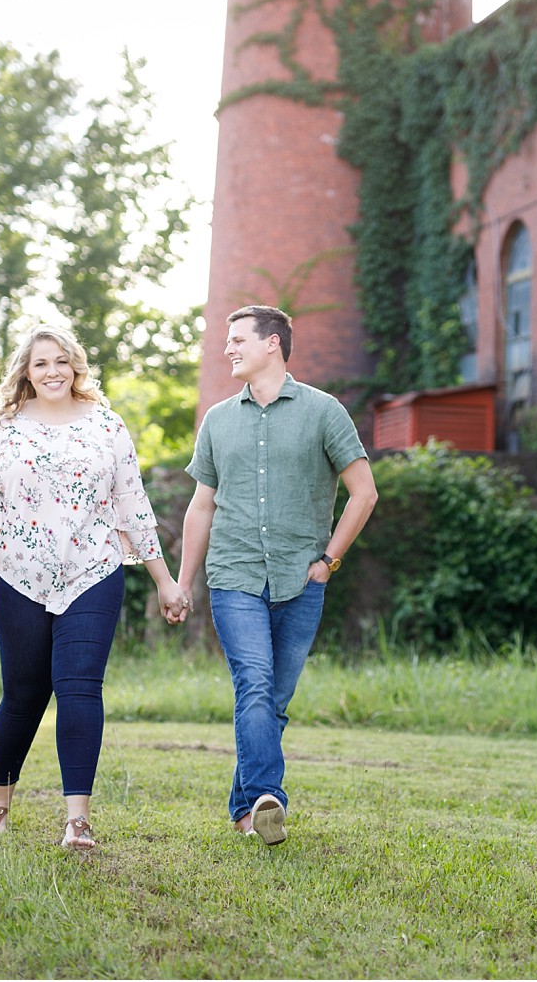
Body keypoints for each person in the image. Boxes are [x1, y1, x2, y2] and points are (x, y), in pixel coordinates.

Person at [0, 324, 186, 849]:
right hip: (18, 573)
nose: (51, 372)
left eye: (60, 361)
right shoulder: (0, 426)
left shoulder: (106, 425)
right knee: (24, 694)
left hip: (93, 572)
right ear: (25, 373)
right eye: (39, 364)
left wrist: (164, 580)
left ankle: (78, 820)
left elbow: (132, 505)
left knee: (79, 687)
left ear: (76, 365)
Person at [178, 305, 378, 846]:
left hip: (301, 579)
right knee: (256, 686)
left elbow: (365, 492)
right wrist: (182, 581)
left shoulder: (324, 412)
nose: (228, 349)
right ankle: (270, 798)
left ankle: (245, 810)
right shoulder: (218, 419)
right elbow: (201, 507)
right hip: (234, 574)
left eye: (238, 339)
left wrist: (329, 562)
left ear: (272, 343)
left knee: (273, 703)